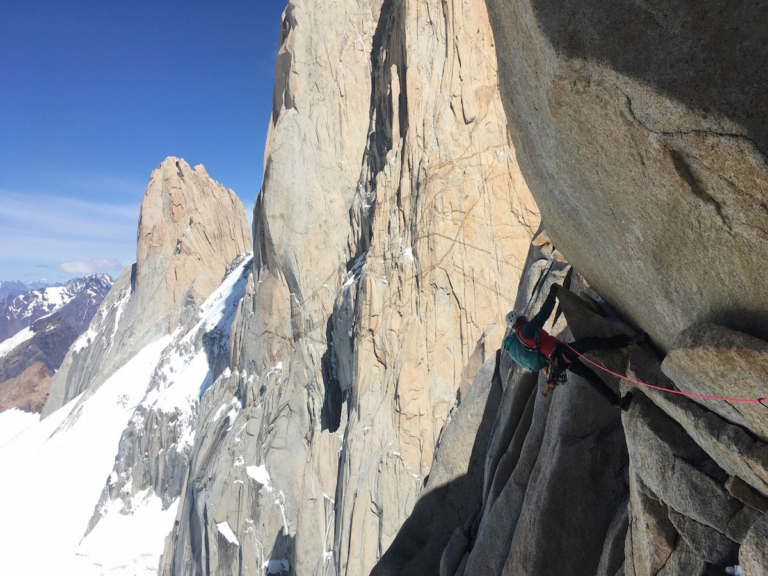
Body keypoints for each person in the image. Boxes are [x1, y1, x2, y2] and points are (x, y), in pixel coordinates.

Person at [503, 283, 642, 411]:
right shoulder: (526, 330)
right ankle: (629, 340)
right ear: (520, 318)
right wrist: (552, 293)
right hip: (560, 354)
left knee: (589, 375)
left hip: (557, 362)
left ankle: (618, 402)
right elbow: (543, 315)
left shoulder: (521, 337)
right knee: (589, 343)